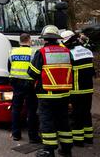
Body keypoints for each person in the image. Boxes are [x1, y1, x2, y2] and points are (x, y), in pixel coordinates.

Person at [28, 25, 73, 157]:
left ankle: (48, 150)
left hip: (46, 95)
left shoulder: (41, 53)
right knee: (64, 121)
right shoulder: (67, 52)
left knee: (47, 122)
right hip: (64, 94)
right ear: (57, 39)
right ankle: (66, 149)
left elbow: (32, 73)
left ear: (45, 39)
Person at [62, 30, 95, 146]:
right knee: (87, 113)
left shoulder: (70, 53)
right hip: (88, 89)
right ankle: (89, 138)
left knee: (76, 115)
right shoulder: (87, 51)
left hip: (76, 90)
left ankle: (78, 140)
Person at [7, 33, 39, 143]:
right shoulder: (33, 52)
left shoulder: (12, 51)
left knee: (16, 109)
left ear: (20, 41)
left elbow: (9, 67)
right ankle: (33, 137)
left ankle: (16, 134)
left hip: (15, 83)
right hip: (29, 84)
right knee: (31, 110)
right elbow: (36, 70)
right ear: (29, 40)